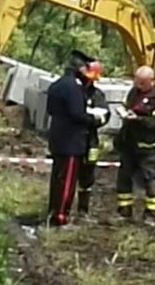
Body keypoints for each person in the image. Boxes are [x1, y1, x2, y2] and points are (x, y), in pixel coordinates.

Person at [45, 50, 108, 227]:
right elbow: (77, 114)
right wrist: (94, 118)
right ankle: (60, 217)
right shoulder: (73, 88)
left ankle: (54, 212)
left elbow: (52, 110)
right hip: (72, 142)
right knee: (67, 183)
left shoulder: (57, 84)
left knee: (57, 180)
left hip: (59, 139)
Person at [114, 66, 155, 227]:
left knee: (151, 182)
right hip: (128, 144)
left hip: (148, 147)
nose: (138, 86)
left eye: (142, 83)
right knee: (123, 179)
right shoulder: (133, 92)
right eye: (136, 82)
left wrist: (138, 119)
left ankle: (151, 215)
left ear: (152, 81)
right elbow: (127, 106)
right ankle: (124, 212)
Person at [80, 57, 110, 223]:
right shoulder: (76, 92)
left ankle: (83, 209)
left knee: (87, 176)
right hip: (75, 139)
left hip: (91, 141)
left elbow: (105, 115)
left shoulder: (97, 95)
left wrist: (93, 119)